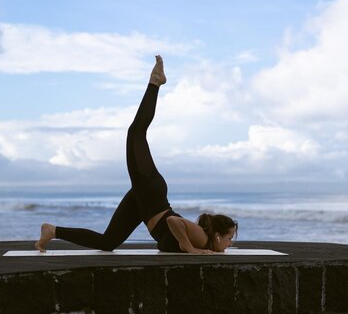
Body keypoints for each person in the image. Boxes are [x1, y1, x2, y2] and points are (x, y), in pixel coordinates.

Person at [35, 55, 238, 254]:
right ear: (217, 236)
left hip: (146, 202)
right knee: (136, 133)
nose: (230, 244)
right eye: (230, 239)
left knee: (108, 242)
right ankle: (155, 83)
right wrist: (189, 248)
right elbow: (173, 221)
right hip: (150, 192)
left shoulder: (205, 245)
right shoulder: (202, 239)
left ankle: (52, 231)